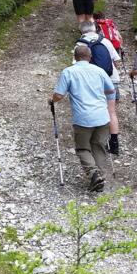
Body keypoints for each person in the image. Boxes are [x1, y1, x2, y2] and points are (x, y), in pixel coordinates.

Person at [51, 46, 116, 192]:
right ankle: (100, 175)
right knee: (98, 146)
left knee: (82, 148)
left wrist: (52, 100)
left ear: (75, 56)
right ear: (90, 56)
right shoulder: (99, 71)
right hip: (102, 116)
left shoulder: (68, 72)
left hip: (83, 118)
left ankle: (94, 175)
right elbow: (111, 89)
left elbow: (59, 95)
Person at [74, 21, 123, 155]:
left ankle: (98, 140)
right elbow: (116, 61)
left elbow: (76, 67)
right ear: (95, 29)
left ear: (81, 31)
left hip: (93, 84)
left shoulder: (80, 44)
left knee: (95, 109)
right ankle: (114, 144)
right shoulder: (105, 41)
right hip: (111, 80)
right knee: (111, 112)